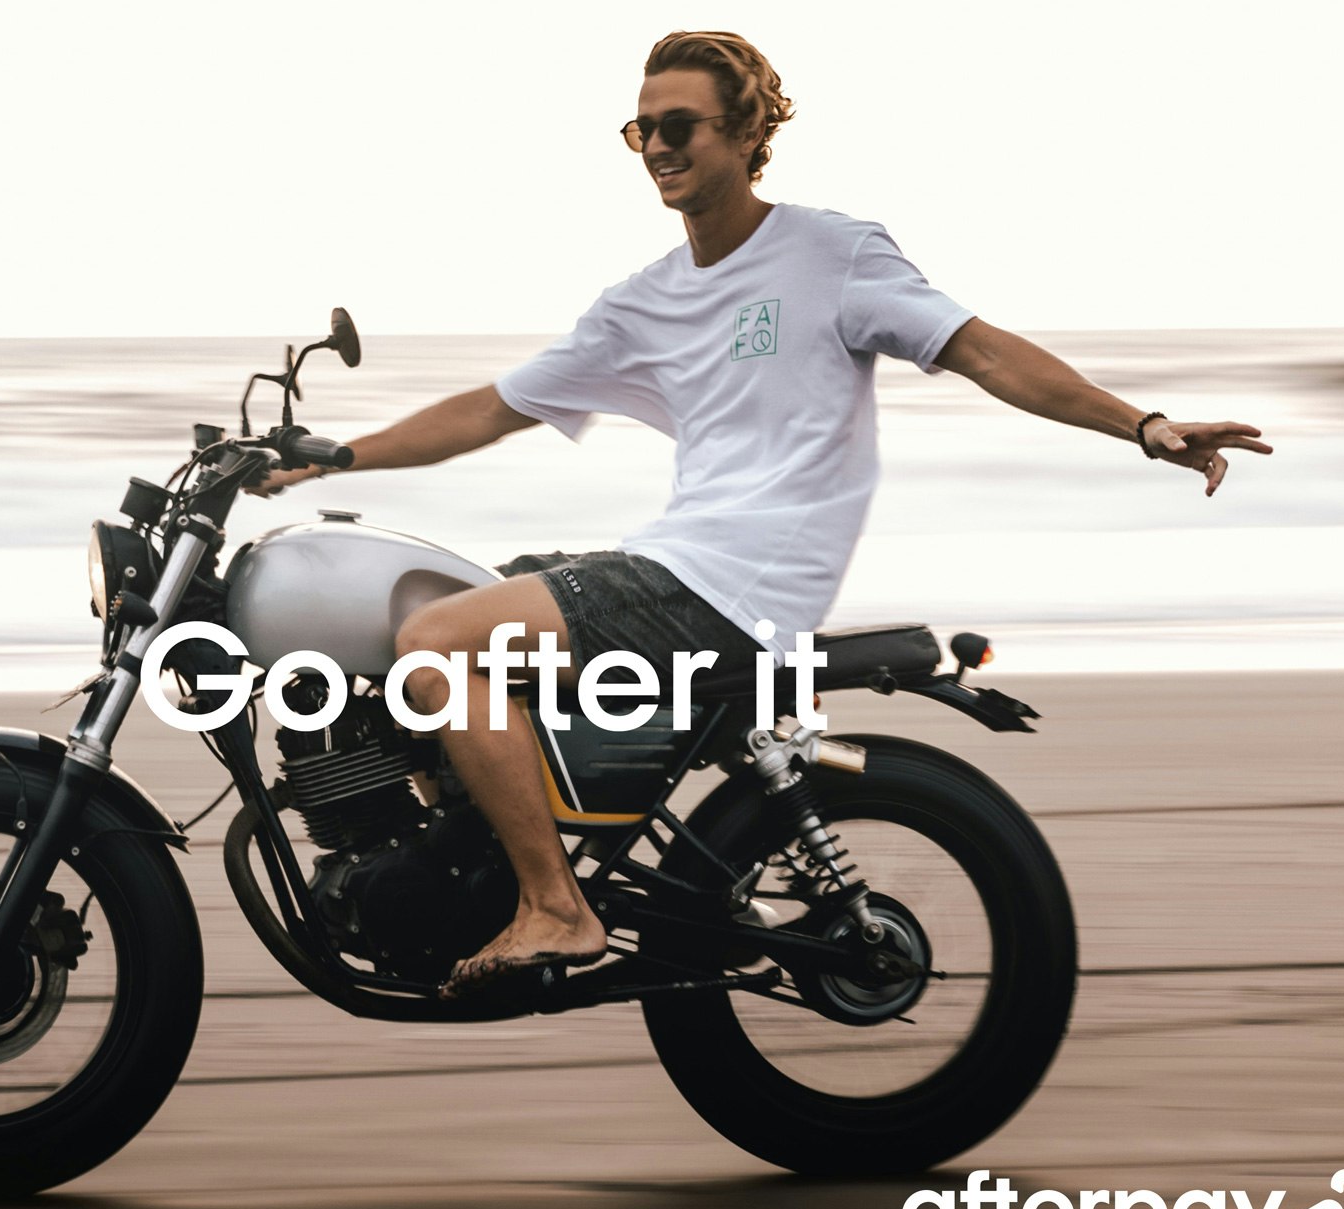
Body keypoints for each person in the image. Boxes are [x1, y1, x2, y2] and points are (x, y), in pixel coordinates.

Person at [251, 30, 1272, 997]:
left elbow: (983, 350)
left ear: (746, 134)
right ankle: (462, 862)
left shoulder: (830, 255)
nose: (654, 147)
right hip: (680, 559)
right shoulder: (642, 299)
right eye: (638, 130)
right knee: (462, 601)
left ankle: (553, 905)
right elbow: (492, 406)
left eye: (679, 127)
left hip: (736, 580)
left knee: (436, 643)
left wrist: (1139, 426)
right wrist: (336, 456)